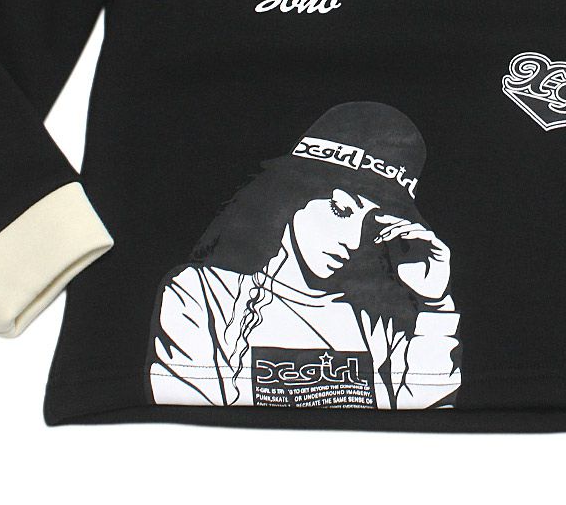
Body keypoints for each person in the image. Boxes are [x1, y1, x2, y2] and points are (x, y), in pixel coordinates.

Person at [146, 102, 462, 410]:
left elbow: (426, 418)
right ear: (295, 195)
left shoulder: (374, 322)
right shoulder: (202, 294)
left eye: (372, 223)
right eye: (341, 210)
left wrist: (435, 304)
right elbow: (187, 416)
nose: (353, 241)